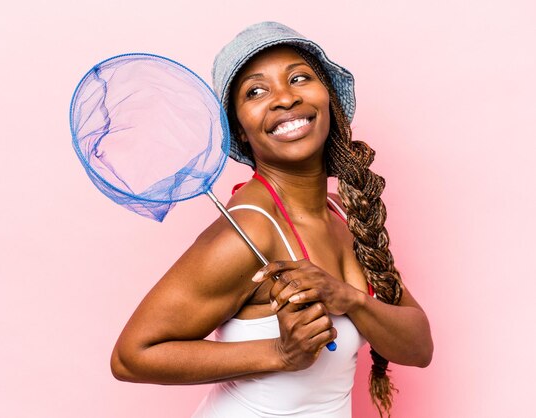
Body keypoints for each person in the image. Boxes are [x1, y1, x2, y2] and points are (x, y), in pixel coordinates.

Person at [110, 21, 433, 418]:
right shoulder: (249, 231)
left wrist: (347, 297)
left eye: (299, 78)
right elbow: (131, 357)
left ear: (327, 98)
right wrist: (280, 353)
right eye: (256, 91)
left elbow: (418, 348)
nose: (284, 98)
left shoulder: (343, 213)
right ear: (240, 130)